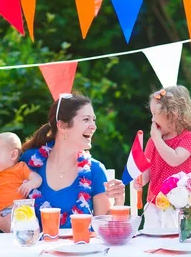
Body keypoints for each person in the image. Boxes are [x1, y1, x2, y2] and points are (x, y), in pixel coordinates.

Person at [18, 93, 125, 229]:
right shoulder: (29, 161)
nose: (94, 126)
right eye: (86, 120)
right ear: (62, 126)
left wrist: (119, 201)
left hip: (82, 248)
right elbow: (8, 210)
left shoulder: (95, 170)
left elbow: (105, 228)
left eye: (94, 120)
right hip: (37, 248)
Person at [134, 85, 191, 228]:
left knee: (176, 241)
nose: (152, 120)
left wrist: (157, 139)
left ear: (172, 114)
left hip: (181, 205)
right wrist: (140, 180)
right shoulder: (153, 141)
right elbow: (147, 170)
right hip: (154, 205)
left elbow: (174, 160)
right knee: (152, 241)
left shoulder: (189, 138)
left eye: (155, 114)